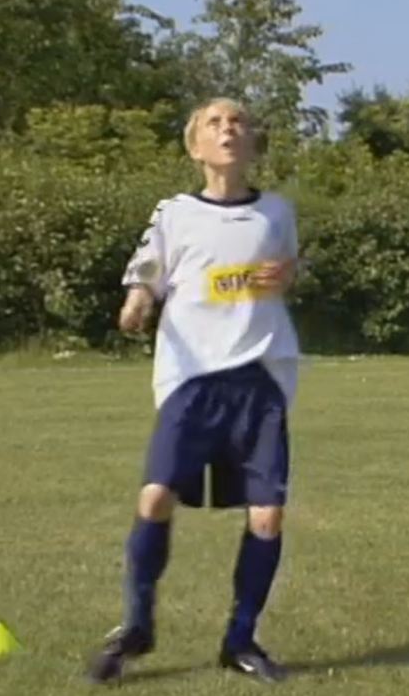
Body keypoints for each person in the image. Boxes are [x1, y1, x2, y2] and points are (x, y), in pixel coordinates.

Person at [88, 97, 300, 685]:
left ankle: (240, 640)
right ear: (195, 145)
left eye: (238, 122)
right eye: (215, 122)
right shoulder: (176, 212)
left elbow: (284, 270)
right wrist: (138, 299)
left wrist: (287, 275)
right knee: (155, 497)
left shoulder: (276, 212)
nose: (229, 129)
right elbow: (148, 266)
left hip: (260, 378)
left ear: (253, 143)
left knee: (268, 514)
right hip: (191, 379)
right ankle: (136, 625)